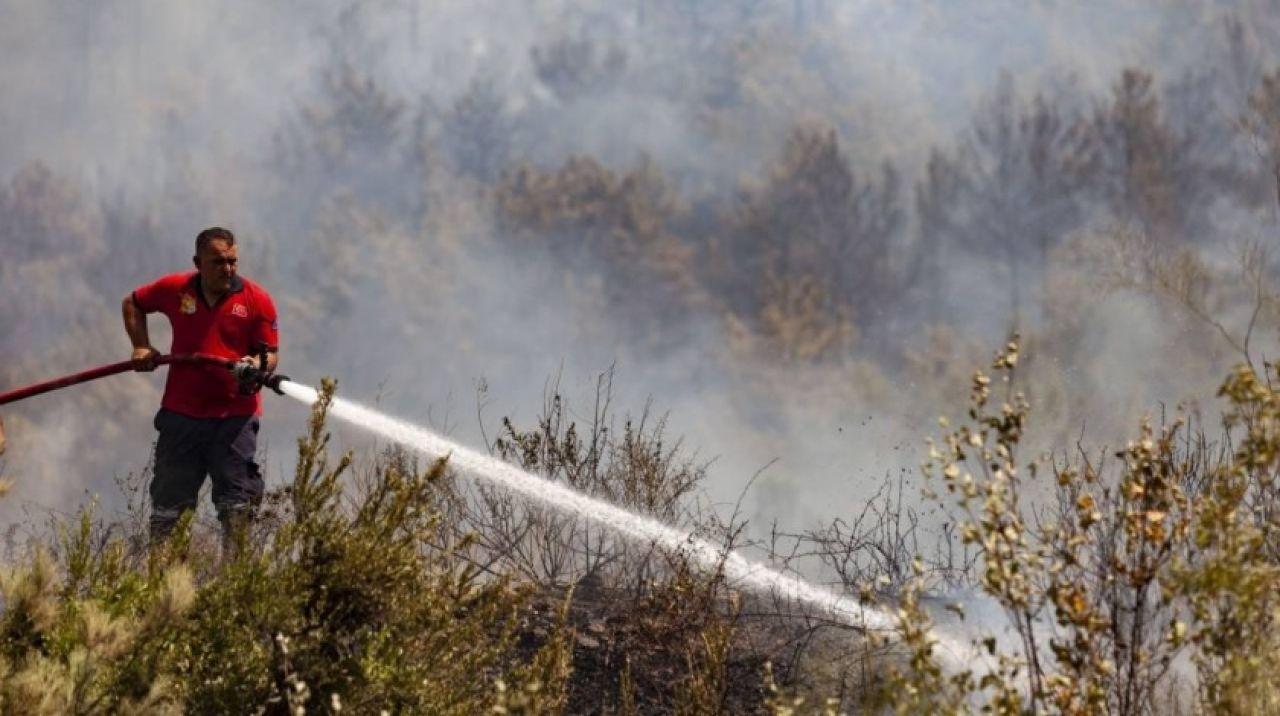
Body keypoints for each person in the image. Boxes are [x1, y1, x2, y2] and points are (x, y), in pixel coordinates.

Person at [122, 226, 279, 544]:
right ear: (198, 262)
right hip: (182, 416)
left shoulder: (257, 301)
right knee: (168, 511)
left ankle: (235, 583)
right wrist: (141, 346)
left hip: (235, 419)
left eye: (233, 261)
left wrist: (254, 364)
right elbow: (133, 303)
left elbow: (271, 356)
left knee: (238, 509)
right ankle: (165, 583)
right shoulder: (175, 289)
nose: (228, 269)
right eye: (218, 262)